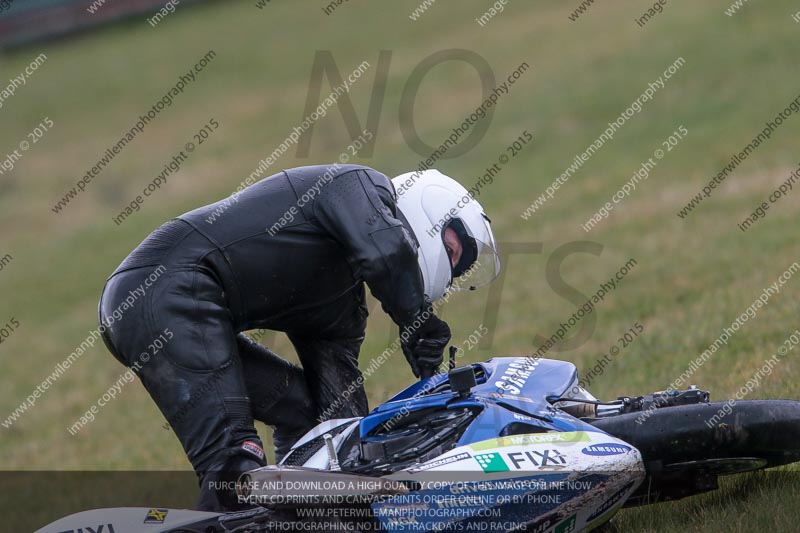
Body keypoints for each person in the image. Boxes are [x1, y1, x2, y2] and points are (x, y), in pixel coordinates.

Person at [97, 164, 500, 511]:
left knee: (310, 422)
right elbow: (386, 253)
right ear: (428, 212)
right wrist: (417, 322)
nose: (451, 273)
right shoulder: (358, 184)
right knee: (236, 472)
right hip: (159, 291)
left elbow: (342, 420)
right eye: (452, 251)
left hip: (181, 307)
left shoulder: (343, 305)